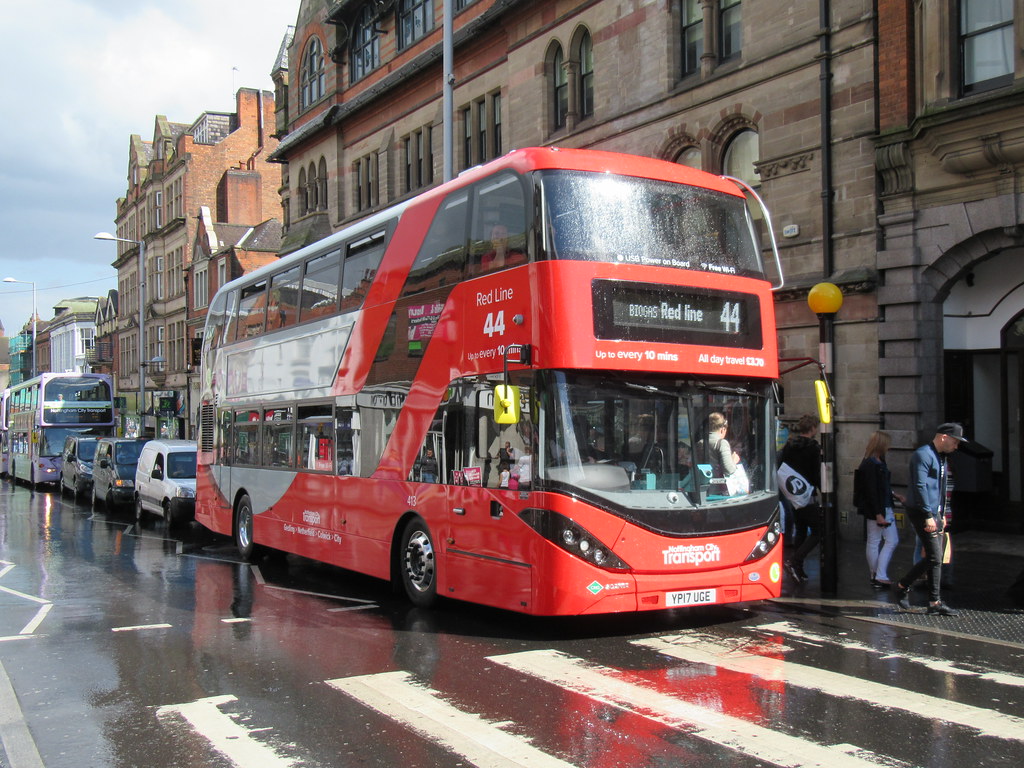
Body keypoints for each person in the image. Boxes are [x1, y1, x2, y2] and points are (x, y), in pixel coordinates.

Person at [891, 423, 965, 616]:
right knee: (935, 557)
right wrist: (928, 516)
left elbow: (940, 489)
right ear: (943, 437)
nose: (956, 446)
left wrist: (941, 515)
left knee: (935, 557)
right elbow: (920, 486)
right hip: (923, 513)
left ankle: (927, 598)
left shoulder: (941, 458)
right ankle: (911, 590)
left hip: (935, 513)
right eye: (955, 442)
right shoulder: (923, 455)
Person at [854, 431, 904, 588]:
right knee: (890, 540)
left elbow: (878, 488)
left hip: (879, 507)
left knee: (875, 541)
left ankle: (875, 574)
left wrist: (894, 495)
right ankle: (879, 574)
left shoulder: (872, 462)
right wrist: (878, 514)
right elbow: (872, 491)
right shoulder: (873, 464)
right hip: (881, 508)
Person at [779, 414, 822, 583]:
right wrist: (822, 490)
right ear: (812, 429)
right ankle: (794, 561)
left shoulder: (789, 446)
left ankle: (798, 568)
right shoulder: (813, 447)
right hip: (807, 493)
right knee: (819, 531)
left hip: (793, 494)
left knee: (801, 530)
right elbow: (816, 472)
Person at [703, 412, 740, 493]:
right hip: (718, 489)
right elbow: (728, 470)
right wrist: (734, 460)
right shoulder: (722, 443)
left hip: (703, 487)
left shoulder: (700, 443)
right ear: (723, 429)